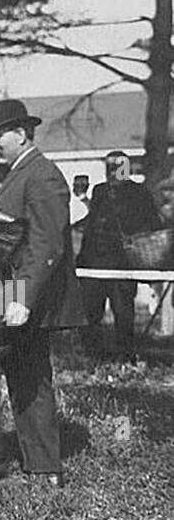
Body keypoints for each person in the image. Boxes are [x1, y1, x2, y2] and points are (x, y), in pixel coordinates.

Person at [0, 98, 86, 488]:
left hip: (19, 297)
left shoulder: (41, 175)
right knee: (30, 377)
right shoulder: (22, 172)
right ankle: (45, 469)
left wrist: (22, 299)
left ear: (22, 133)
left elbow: (47, 246)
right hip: (19, 295)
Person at [77, 150, 162, 362]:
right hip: (95, 262)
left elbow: (152, 225)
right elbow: (93, 220)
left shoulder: (138, 193)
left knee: (122, 312)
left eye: (117, 166)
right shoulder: (100, 191)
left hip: (120, 262)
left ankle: (123, 357)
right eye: (110, 167)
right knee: (91, 312)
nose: (113, 171)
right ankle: (95, 356)